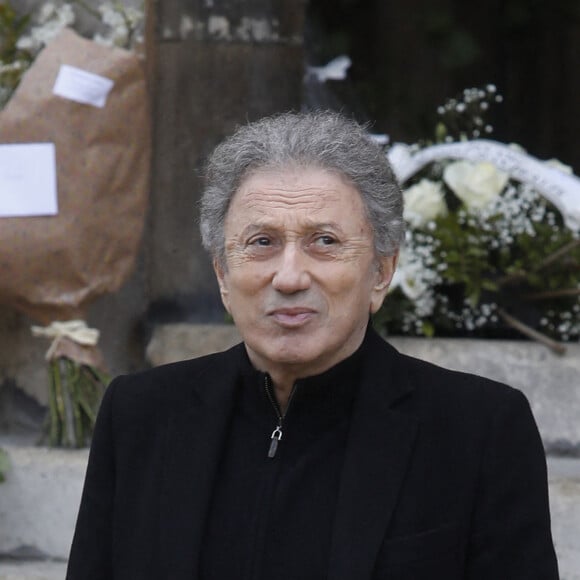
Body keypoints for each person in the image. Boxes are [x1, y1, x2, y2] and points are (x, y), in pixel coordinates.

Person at [66, 111, 559, 579]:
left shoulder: (479, 430)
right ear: (222, 273)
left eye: (324, 241)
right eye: (261, 242)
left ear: (381, 272)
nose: (289, 276)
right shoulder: (141, 415)